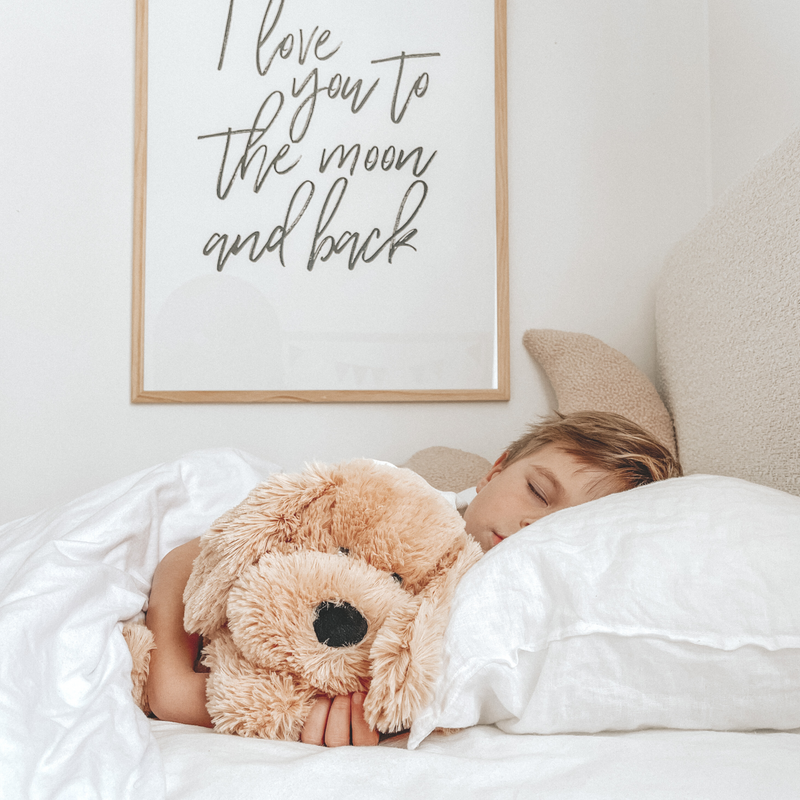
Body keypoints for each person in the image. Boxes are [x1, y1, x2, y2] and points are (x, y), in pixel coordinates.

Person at [144, 411, 682, 746]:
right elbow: (196, 556)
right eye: (539, 493)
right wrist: (174, 685)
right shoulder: (392, 503)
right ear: (494, 471)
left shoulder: (524, 610)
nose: (532, 526)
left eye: (566, 528)